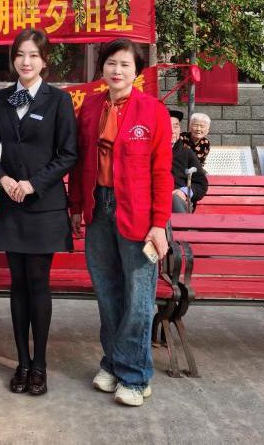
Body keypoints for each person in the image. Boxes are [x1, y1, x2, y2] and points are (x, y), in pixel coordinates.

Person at [68, 38, 172, 407]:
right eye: (111, 63)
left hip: (139, 214)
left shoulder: (153, 110)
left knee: (138, 297)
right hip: (99, 208)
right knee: (107, 292)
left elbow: (162, 172)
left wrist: (159, 223)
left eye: (125, 64)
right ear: (102, 68)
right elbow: (81, 161)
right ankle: (113, 362)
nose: (117, 70)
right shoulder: (90, 107)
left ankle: (135, 375)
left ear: (137, 71)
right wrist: (77, 206)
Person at [0, 29, 77, 396]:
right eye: (20, 55)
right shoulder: (0, 100)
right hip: (11, 204)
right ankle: (21, 363)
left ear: (44, 61)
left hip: (43, 206)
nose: (26, 62)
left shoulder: (59, 100)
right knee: (17, 284)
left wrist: (32, 184)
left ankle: (39, 364)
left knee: (38, 282)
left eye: (33, 55)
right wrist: (3, 178)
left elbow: (68, 154)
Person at [170, 110, 208, 213]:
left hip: (178, 202)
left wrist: (184, 192)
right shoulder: (149, 154)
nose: (172, 131)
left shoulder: (187, 153)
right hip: (155, 202)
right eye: (167, 126)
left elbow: (201, 184)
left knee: (174, 199)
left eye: (176, 126)